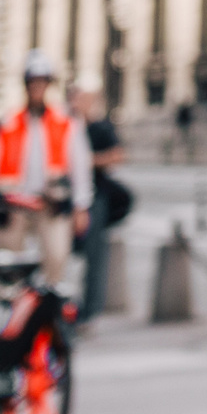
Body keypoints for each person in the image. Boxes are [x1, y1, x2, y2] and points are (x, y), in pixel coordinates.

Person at [0, 52, 90, 292]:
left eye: (42, 82)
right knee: (6, 263)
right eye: (32, 82)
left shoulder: (65, 121)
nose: (37, 87)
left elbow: (80, 166)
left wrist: (81, 206)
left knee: (57, 257)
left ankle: (48, 312)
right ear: (26, 85)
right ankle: (9, 315)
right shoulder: (6, 122)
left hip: (50, 203)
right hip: (13, 204)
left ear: (48, 84)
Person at [69, 85, 129, 332]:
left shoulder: (100, 127)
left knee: (95, 257)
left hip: (95, 197)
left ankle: (89, 313)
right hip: (66, 199)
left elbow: (117, 155)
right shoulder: (64, 126)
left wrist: (85, 161)